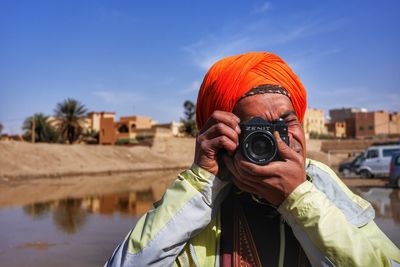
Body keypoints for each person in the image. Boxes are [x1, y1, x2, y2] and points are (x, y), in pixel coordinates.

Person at [105, 52, 400, 267]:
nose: (274, 139)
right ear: (223, 134)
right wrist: (200, 182)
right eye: (256, 129)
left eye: (286, 123)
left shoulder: (325, 190)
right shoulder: (197, 206)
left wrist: (299, 198)